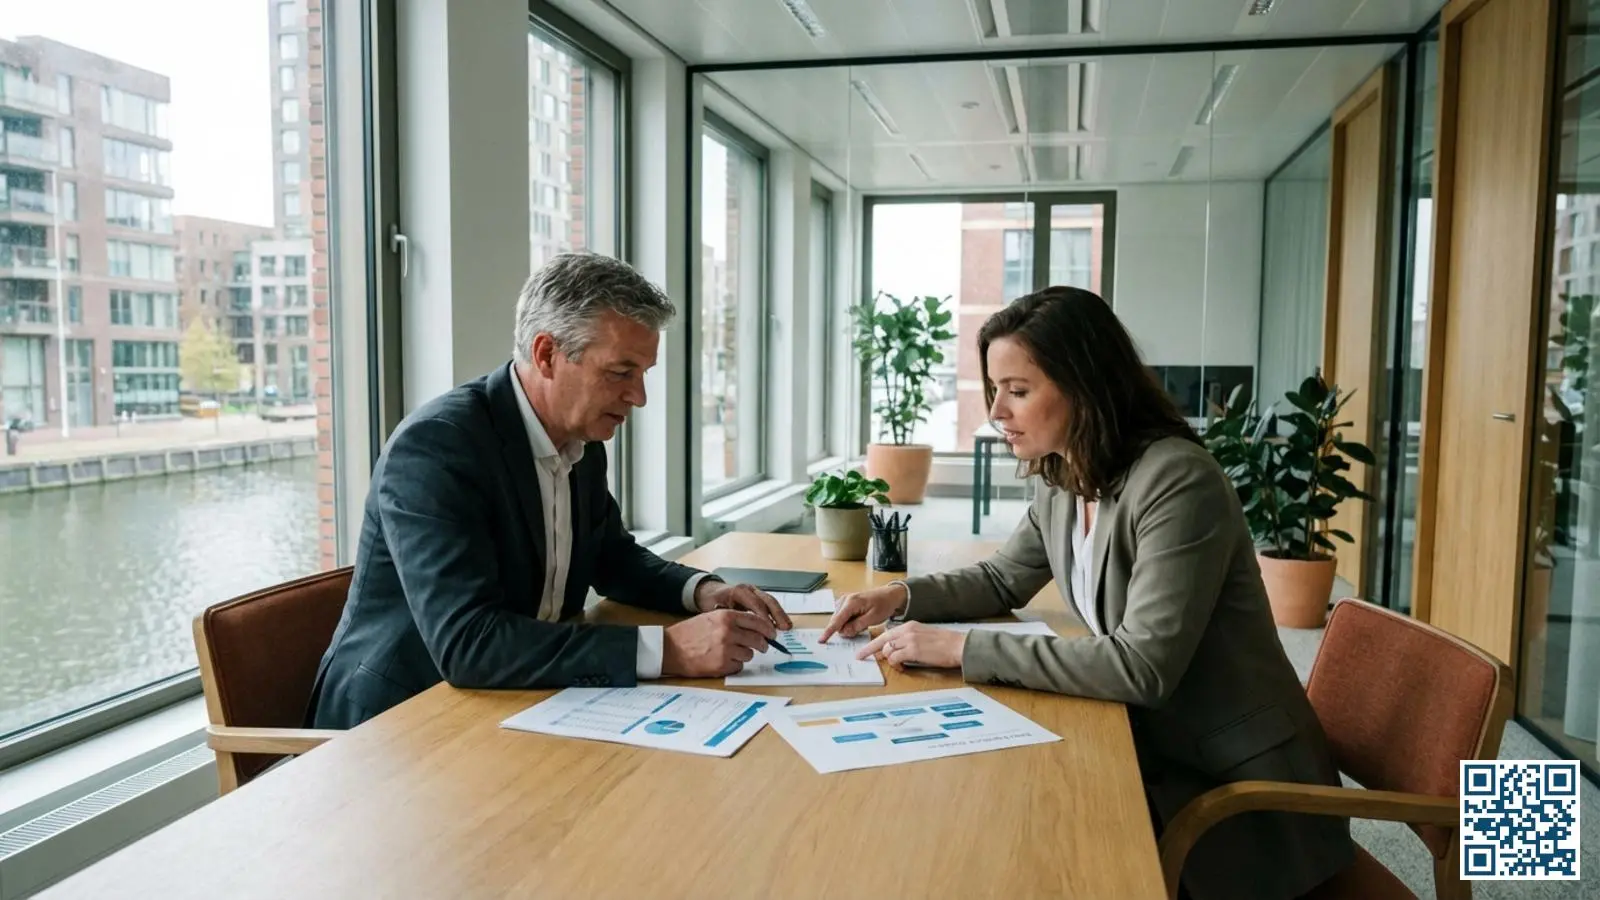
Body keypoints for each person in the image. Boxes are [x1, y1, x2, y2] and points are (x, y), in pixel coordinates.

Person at [820, 286, 1354, 900]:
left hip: (1234, 793)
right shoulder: (1064, 472)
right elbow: (1002, 578)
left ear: (1086, 386)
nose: (997, 411)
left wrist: (960, 647)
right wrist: (898, 597)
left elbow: (1140, 666)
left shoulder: (1178, 482)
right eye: (995, 389)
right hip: (1152, 748)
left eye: (1018, 391)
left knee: (1033, 856)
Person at [307, 253, 792, 729]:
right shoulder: (437, 448)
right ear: (546, 355)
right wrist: (669, 650)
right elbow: (468, 643)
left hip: (514, 699)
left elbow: (612, 559)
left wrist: (704, 591)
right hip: (398, 724)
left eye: (643, 374)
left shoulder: (580, 437)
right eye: (621, 372)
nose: (638, 397)